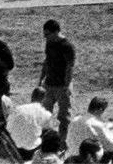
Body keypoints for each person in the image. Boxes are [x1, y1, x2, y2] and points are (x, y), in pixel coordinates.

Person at [39, 19, 76, 147]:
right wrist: (41, 78)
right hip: (49, 84)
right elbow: (47, 61)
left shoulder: (67, 46)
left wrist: (67, 85)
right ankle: (46, 141)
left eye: (47, 34)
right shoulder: (49, 43)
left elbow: (69, 67)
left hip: (62, 86)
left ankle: (62, 142)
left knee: (64, 117)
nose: (45, 37)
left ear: (56, 32)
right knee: (45, 114)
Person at [68, 97, 113, 163]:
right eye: (104, 110)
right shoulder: (96, 124)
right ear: (100, 110)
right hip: (88, 158)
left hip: (73, 155)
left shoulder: (75, 119)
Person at [6, 86, 52, 161]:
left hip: (15, 150)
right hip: (32, 152)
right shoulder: (46, 114)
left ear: (32, 96)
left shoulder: (18, 109)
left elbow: (8, 127)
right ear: (44, 99)